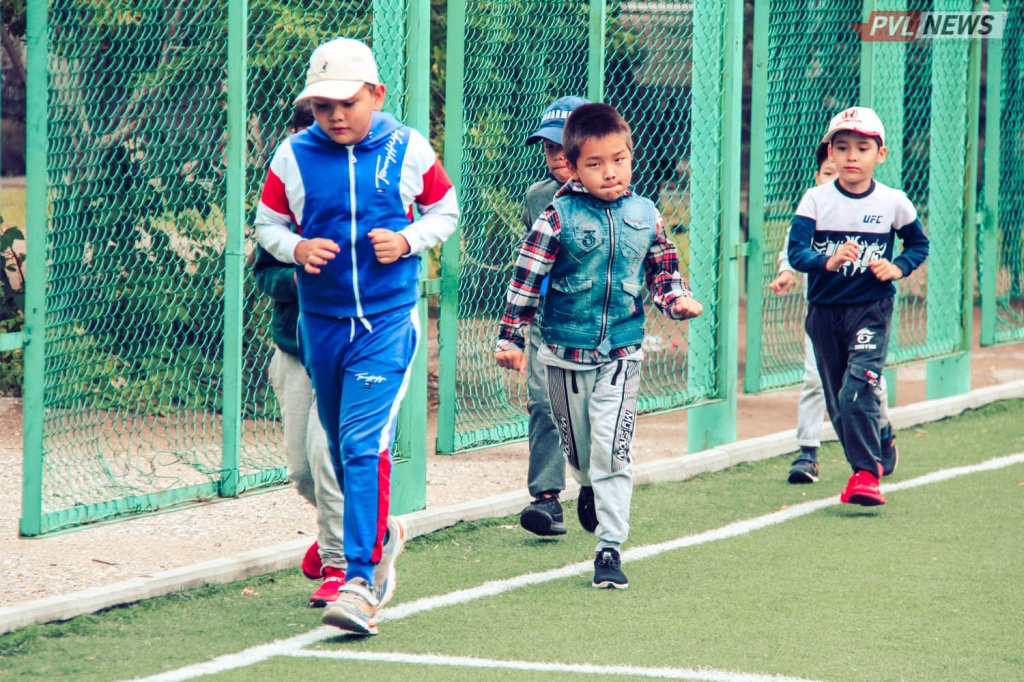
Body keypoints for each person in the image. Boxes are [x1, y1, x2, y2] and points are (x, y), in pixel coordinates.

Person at [255, 37, 459, 635]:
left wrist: (409, 241)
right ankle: (379, 533)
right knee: (341, 456)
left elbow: (444, 210)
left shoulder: (408, 147)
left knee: (361, 443)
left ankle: (364, 580)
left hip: (388, 321)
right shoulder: (292, 156)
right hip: (318, 325)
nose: (335, 115)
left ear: (376, 95)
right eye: (322, 106)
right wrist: (295, 248)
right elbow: (267, 224)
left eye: (346, 102)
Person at [495, 103, 702, 588]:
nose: (610, 172)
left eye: (619, 159)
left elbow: (663, 270)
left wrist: (678, 301)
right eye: (595, 164)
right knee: (580, 449)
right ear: (572, 165)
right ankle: (586, 484)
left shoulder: (646, 213)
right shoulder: (555, 217)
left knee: (613, 449)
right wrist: (510, 337)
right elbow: (525, 281)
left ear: (631, 156)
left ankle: (609, 548)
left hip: (621, 354)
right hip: (563, 354)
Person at [787, 106, 928, 506]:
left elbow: (918, 244)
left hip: (871, 309)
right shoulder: (815, 200)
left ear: (879, 154)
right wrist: (826, 261)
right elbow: (797, 252)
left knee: (856, 389)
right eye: (842, 147)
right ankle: (880, 438)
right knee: (837, 400)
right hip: (824, 312)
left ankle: (865, 475)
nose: (852, 156)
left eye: (862, 148)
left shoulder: (893, 202)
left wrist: (898, 268)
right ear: (829, 153)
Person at [252, 101, 351, 609]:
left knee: (326, 455)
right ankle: (360, 528)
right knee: (302, 470)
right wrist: (297, 272)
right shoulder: (284, 203)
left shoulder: (361, 190)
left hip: (347, 351)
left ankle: (340, 563)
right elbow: (263, 271)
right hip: (294, 350)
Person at [769, 143, 898, 484]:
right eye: (829, 170)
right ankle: (808, 452)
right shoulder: (814, 205)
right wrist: (787, 272)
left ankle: (881, 431)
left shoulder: (877, 206)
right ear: (820, 174)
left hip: (863, 312)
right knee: (816, 379)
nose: (839, 173)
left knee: (865, 385)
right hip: (825, 312)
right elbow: (793, 246)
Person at [517, 95, 589, 538]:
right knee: (544, 402)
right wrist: (518, 324)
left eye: (565, 144)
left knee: (589, 415)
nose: (558, 155)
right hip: (548, 322)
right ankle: (546, 499)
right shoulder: (537, 198)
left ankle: (593, 484)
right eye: (549, 147)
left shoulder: (620, 198)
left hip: (598, 328)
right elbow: (531, 268)